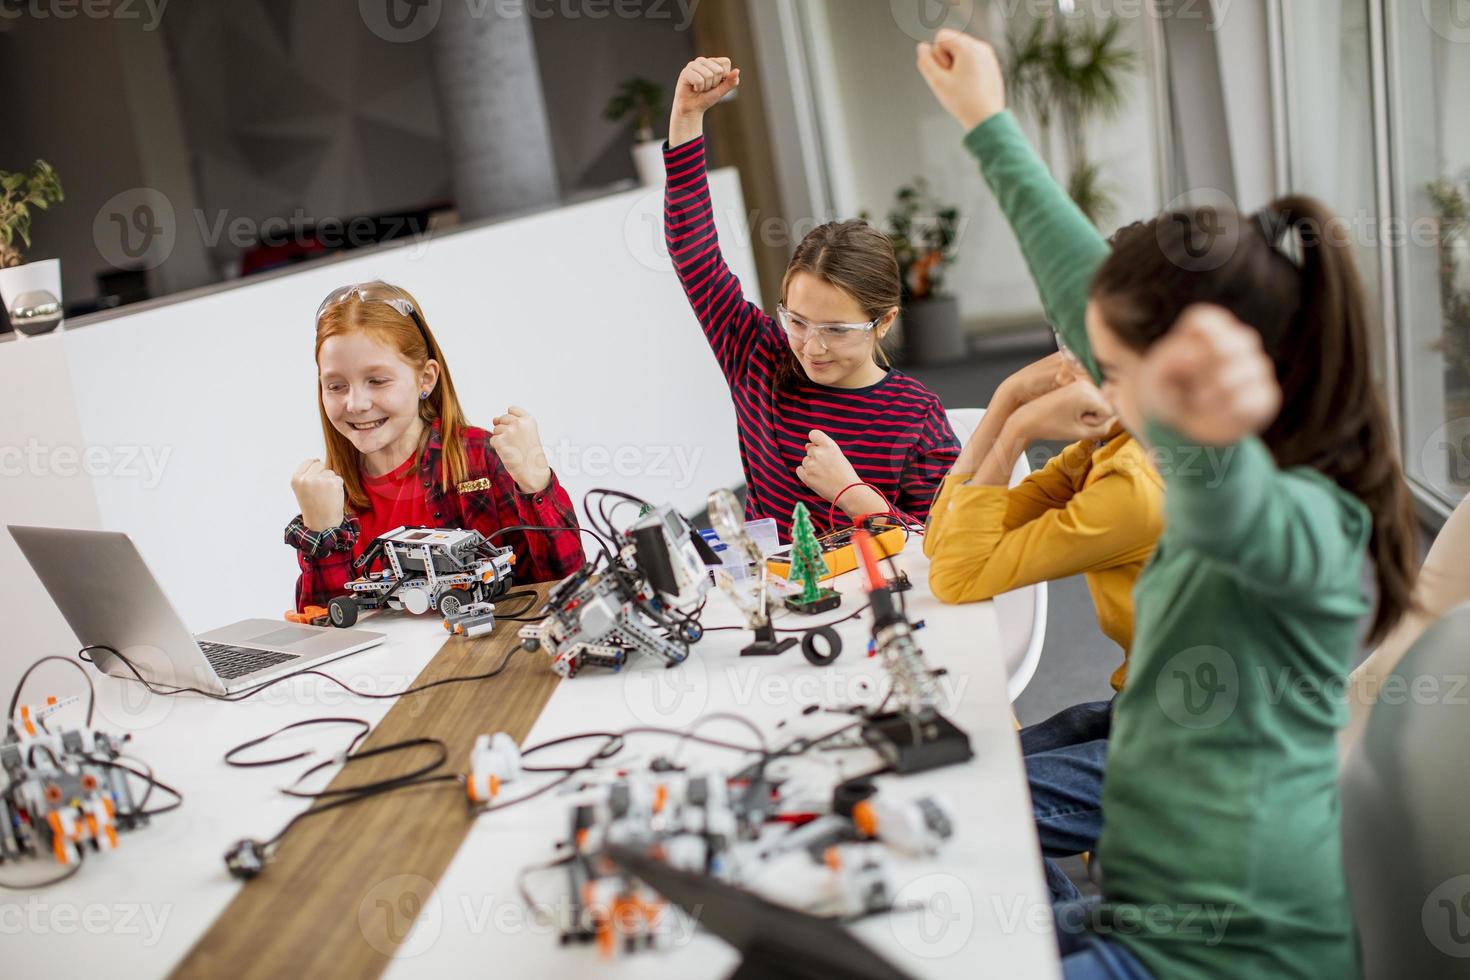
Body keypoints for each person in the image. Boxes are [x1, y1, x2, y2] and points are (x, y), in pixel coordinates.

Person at [918, 29, 1417, 980]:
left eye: (1114, 369)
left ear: (1181, 377)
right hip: (1148, 922)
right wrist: (986, 123)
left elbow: (1232, 497)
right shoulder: (1209, 474)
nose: (1094, 380)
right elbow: (1085, 297)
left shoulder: (1293, 525)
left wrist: (1207, 423)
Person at [665, 56, 959, 539]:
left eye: (837, 330)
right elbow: (693, 256)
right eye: (798, 321)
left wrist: (849, 492)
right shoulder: (758, 355)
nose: (812, 347)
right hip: (777, 601)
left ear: (884, 322)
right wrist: (686, 119)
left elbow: (946, 547)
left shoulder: (915, 415)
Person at [925, 345, 1164, 903]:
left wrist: (1015, 433)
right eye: (1062, 346)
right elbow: (944, 545)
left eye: (1081, 350)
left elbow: (956, 576)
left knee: (971, 809)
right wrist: (1006, 400)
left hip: (1197, 749)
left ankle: (1053, 949)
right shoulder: (1106, 450)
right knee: (957, 774)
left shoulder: (1135, 486)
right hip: (1139, 710)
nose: (1063, 368)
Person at [285, 281, 585, 611]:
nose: (355, 403)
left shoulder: (483, 459)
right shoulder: (329, 497)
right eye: (336, 386)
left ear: (425, 379)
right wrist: (323, 534)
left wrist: (537, 485)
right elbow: (325, 633)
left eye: (377, 380)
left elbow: (569, 592)